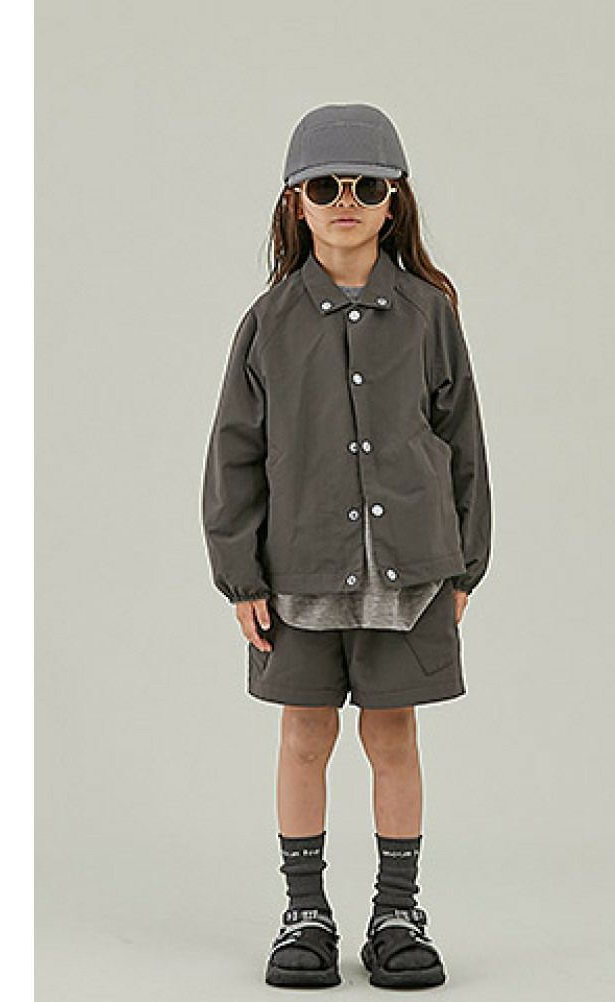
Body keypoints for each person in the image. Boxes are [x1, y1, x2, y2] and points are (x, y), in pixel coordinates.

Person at [200, 103, 492, 989]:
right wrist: (241, 576)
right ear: (295, 202)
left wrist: (466, 563)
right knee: (304, 733)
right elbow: (235, 451)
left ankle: (398, 911)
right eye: (325, 187)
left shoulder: (429, 314)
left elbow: (462, 440)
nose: (346, 203)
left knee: (393, 733)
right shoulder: (269, 322)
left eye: (367, 187)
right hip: (299, 570)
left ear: (395, 200)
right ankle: (305, 912)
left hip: (412, 570)